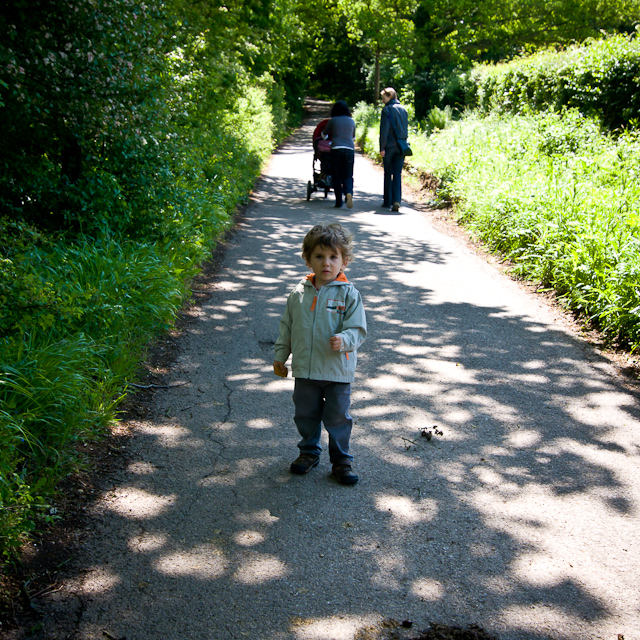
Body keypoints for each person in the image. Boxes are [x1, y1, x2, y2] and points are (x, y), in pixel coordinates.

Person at [273, 223, 367, 485]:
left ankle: (341, 460)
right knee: (305, 413)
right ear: (308, 260)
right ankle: (309, 452)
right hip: (305, 369)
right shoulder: (298, 294)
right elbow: (287, 327)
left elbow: (358, 329)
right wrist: (281, 355)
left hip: (337, 370)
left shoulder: (349, 294)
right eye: (319, 256)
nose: (326, 263)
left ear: (344, 262)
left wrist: (345, 339)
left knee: (338, 416)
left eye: (333, 257)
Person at [379, 87, 409, 212]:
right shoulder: (403, 109)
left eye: (383, 98)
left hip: (389, 146)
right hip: (401, 146)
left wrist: (382, 147)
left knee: (388, 173)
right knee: (397, 173)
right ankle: (396, 200)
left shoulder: (387, 110)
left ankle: (387, 201)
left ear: (389, 96)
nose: (382, 100)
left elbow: (384, 130)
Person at [322, 101, 356, 209]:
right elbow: (353, 137)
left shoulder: (333, 120)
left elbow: (324, 134)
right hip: (349, 149)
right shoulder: (351, 121)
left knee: (336, 176)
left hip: (336, 149)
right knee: (348, 174)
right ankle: (348, 192)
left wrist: (326, 138)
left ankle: (338, 202)